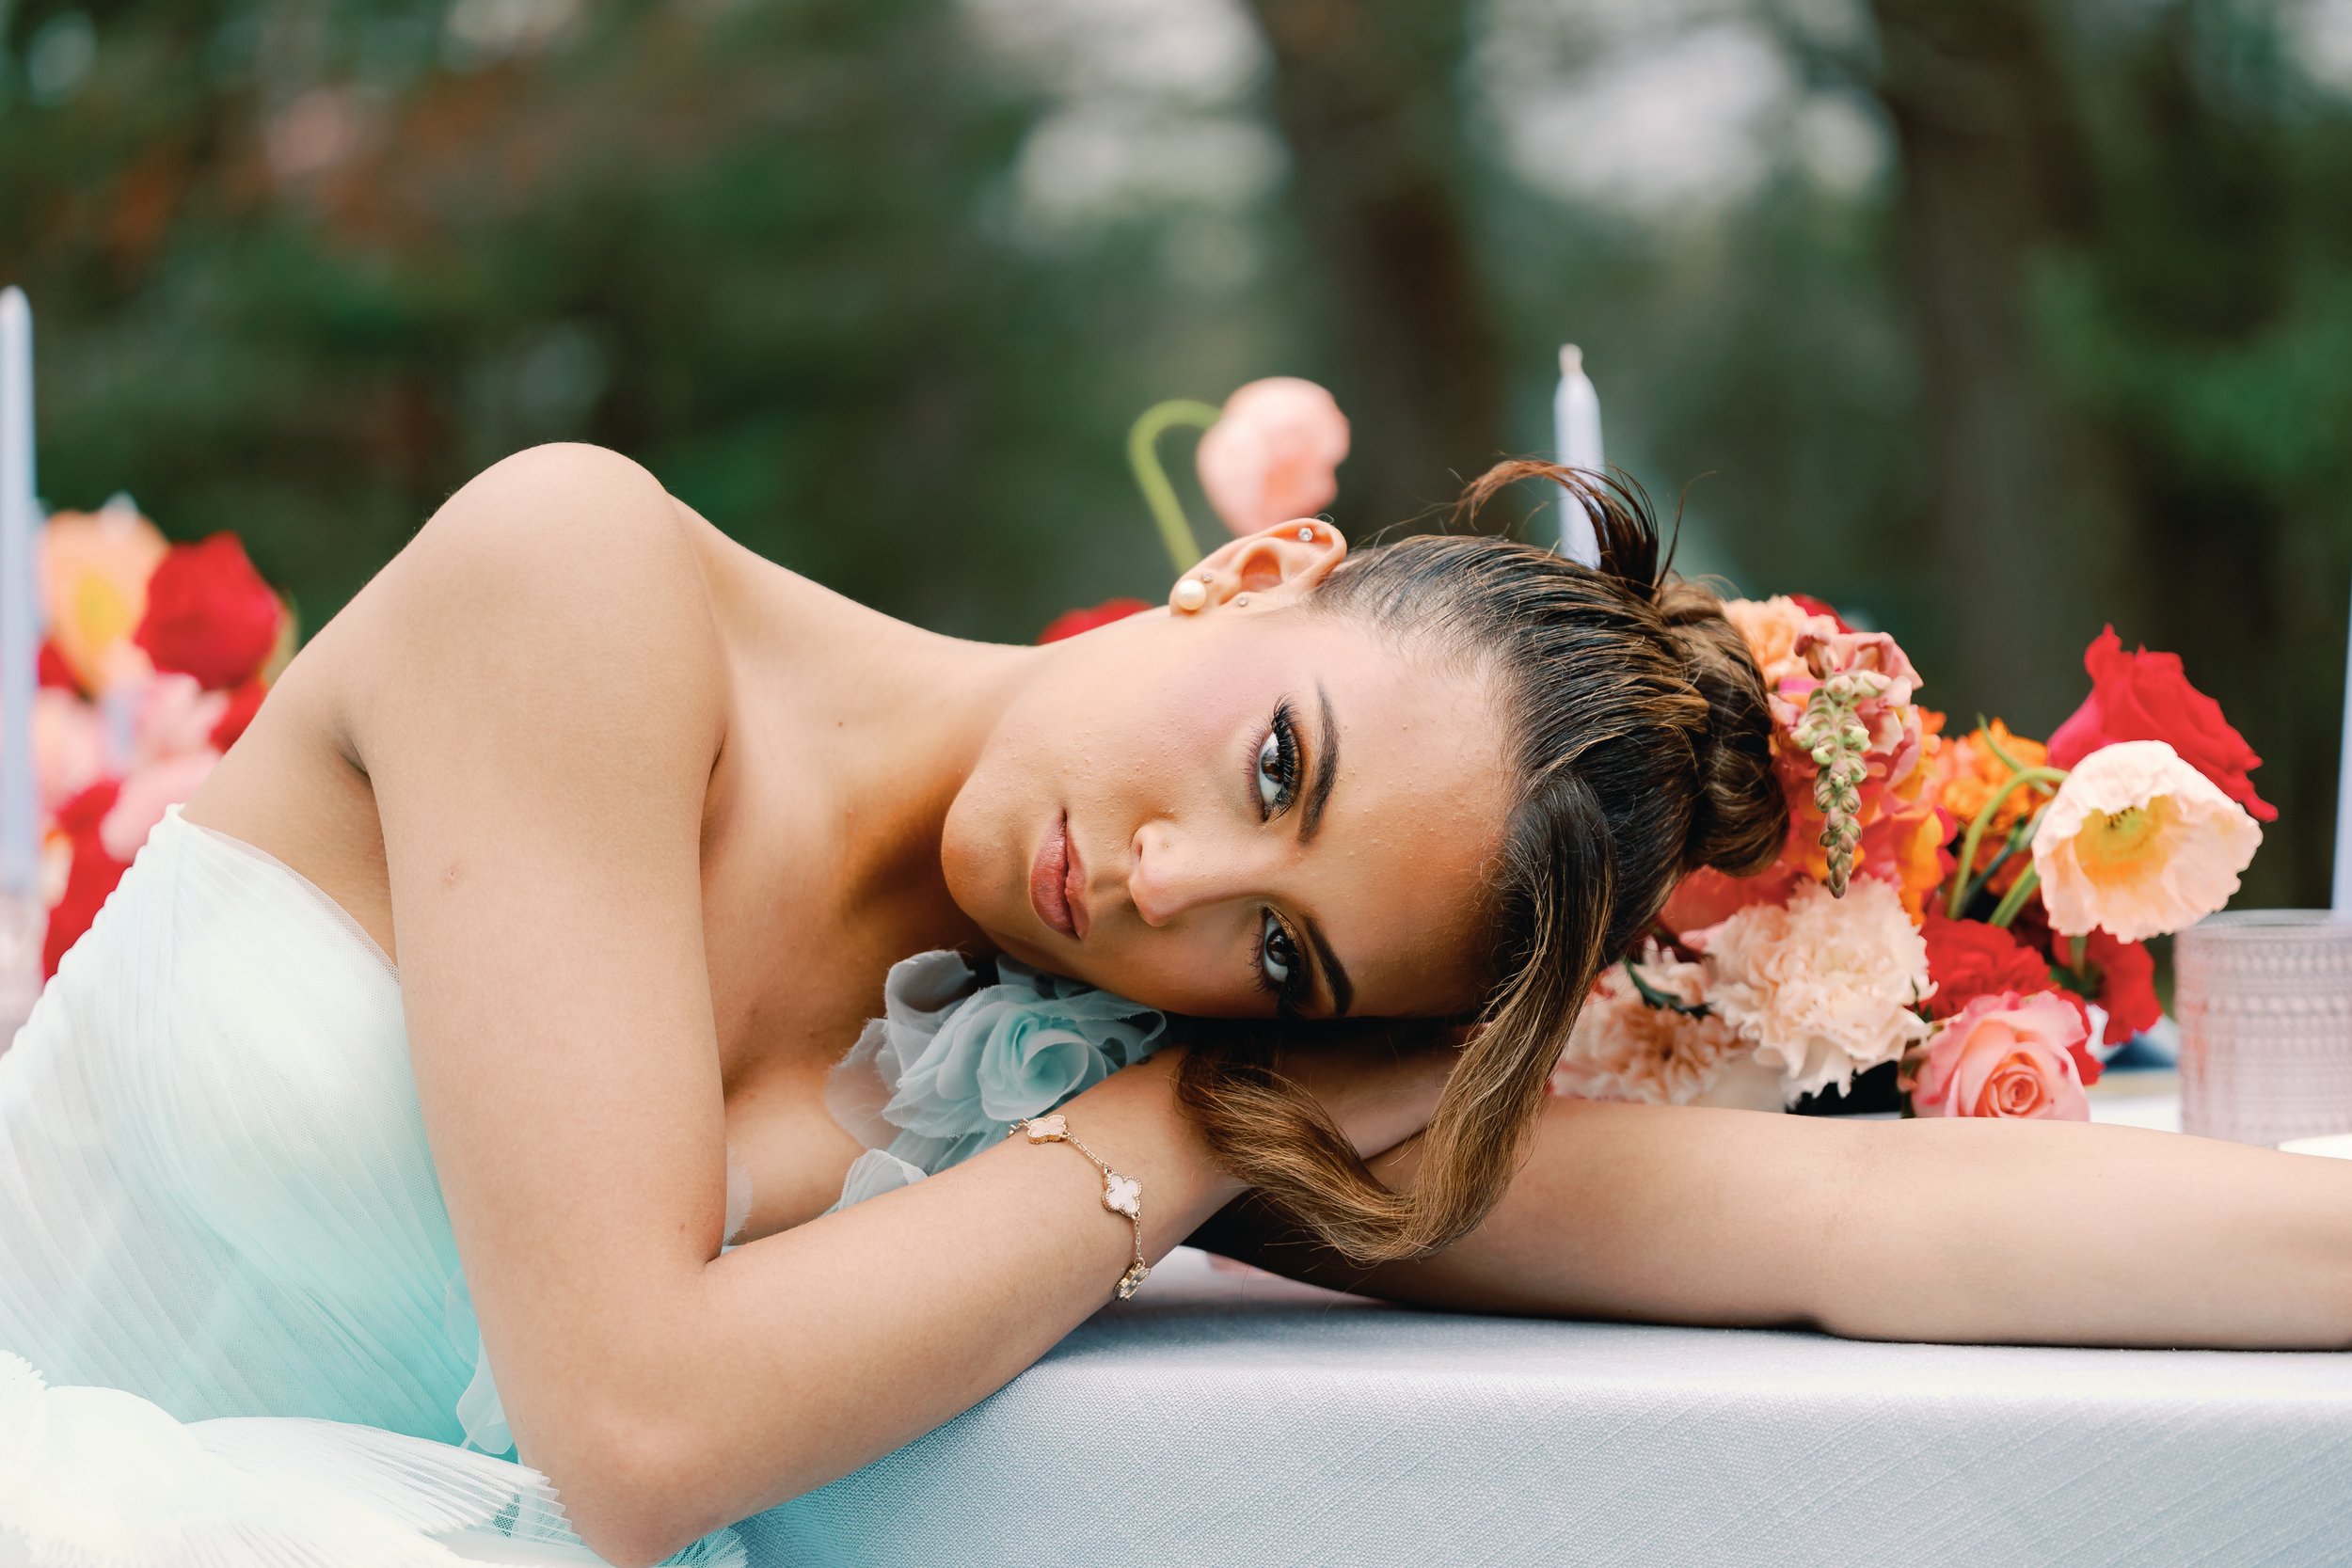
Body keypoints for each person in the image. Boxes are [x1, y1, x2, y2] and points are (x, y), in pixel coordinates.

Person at [0, 443, 2344, 1568]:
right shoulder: (577, 584)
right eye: (1274, 764)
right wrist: (1180, 1137)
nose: (1165, 889)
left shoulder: (1093, 1049)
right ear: (1251, 573)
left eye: (1288, 954)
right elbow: (631, 1425)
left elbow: (1842, 1235)